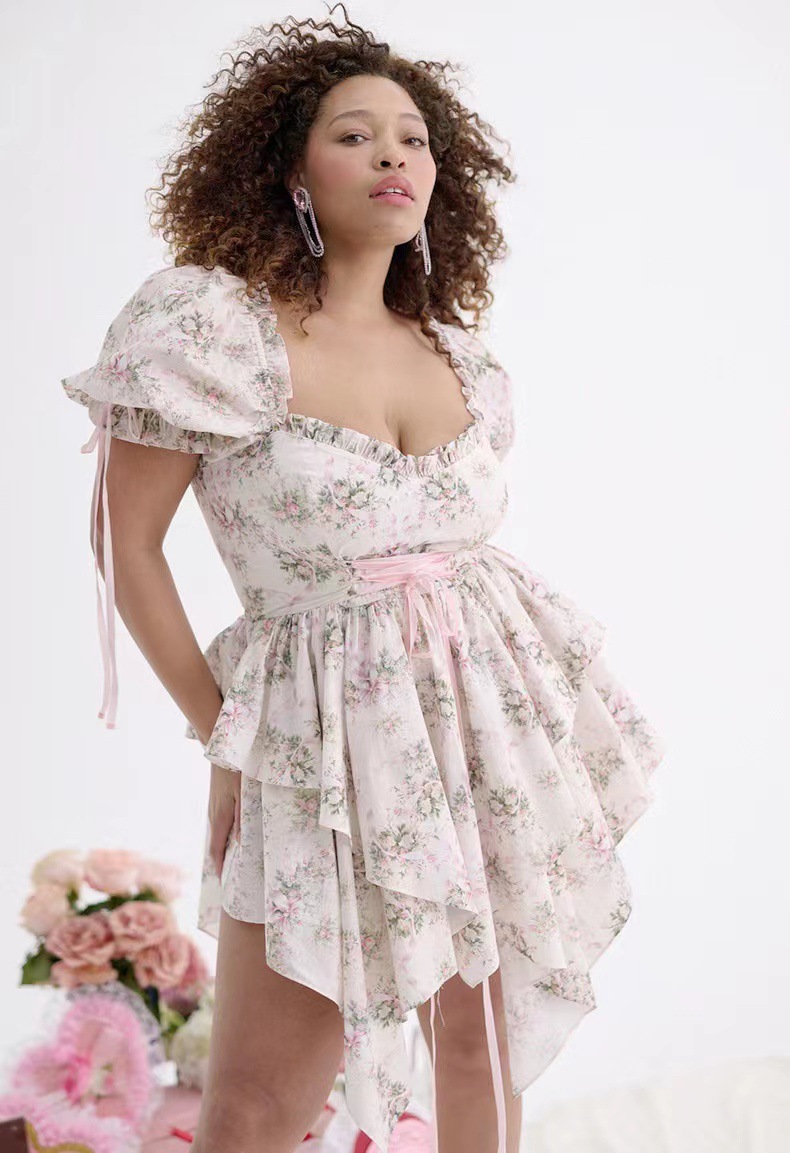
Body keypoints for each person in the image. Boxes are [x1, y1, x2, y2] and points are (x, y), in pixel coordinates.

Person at [60, 7, 665, 1152]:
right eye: (354, 134)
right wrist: (227, 734)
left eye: (414, 138)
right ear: (290, 170)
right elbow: (126, 548)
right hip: (314, 739)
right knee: (260, 1094)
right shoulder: (211, 332)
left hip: (483, 733)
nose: (394, 155)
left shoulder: (460, 358)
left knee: (480, 1048)